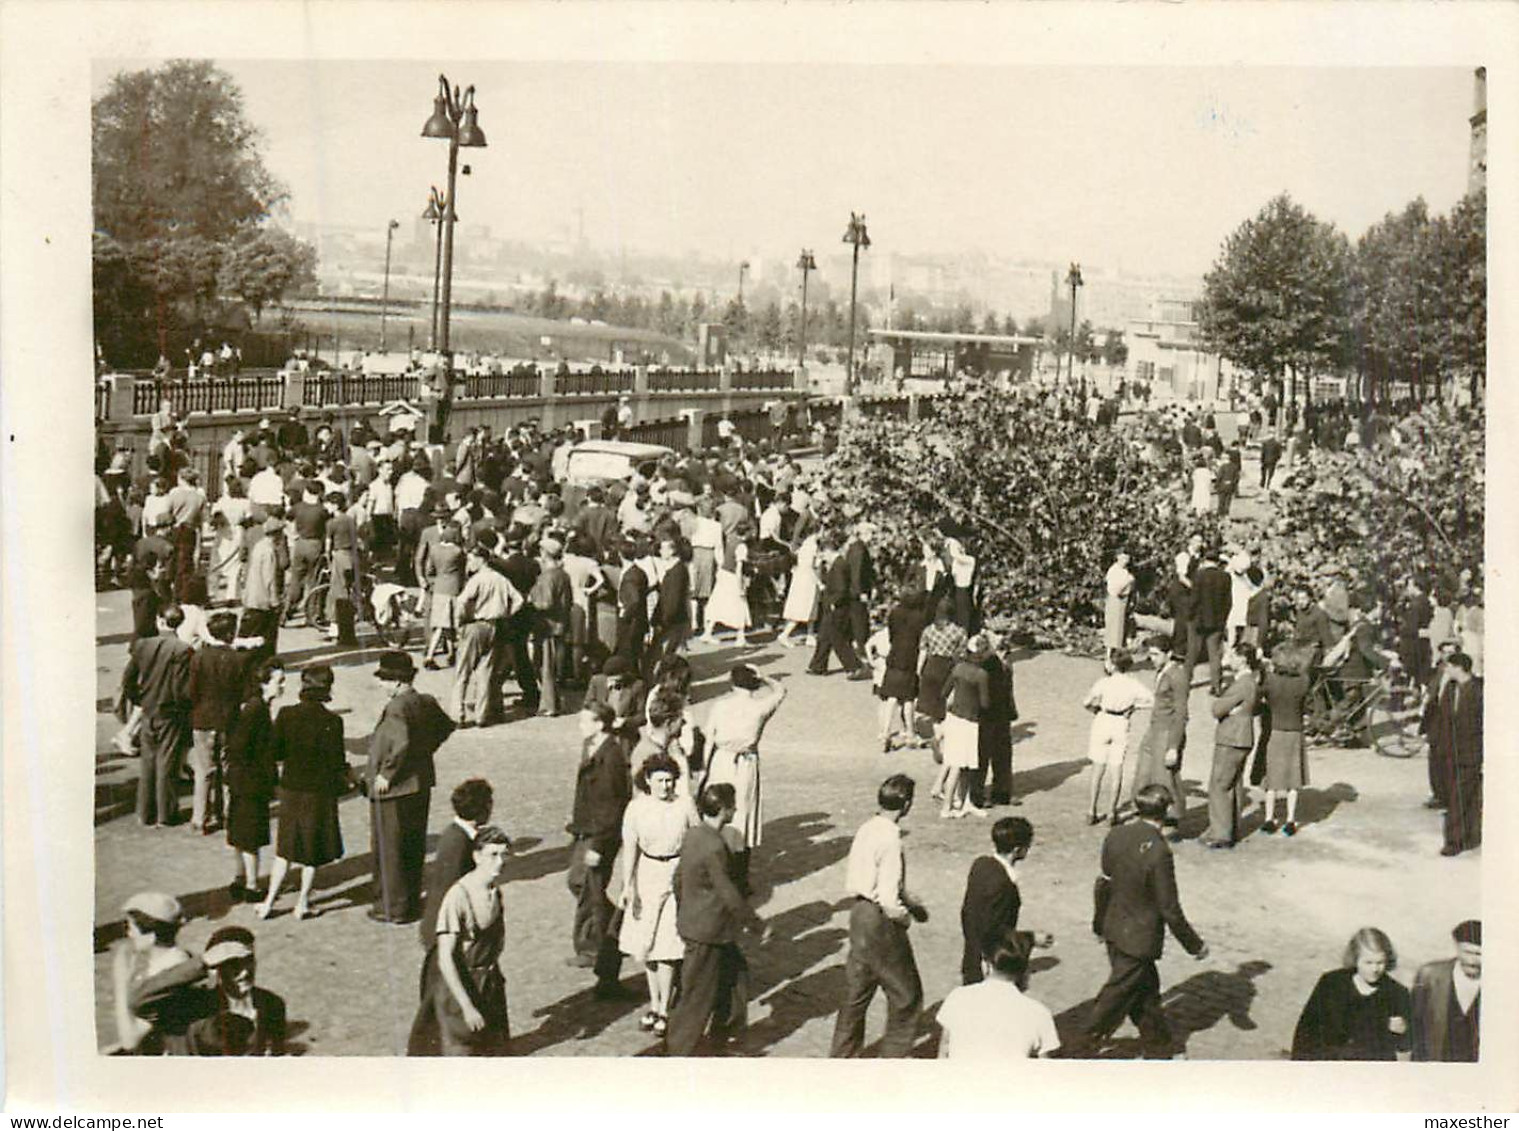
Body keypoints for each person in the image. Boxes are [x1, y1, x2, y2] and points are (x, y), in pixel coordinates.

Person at [1085, 783, 1208, 1058]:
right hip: (1139, 938)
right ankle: (1080, 1043)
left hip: (1114, 928)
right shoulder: (1159, 851)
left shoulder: (1116, 834)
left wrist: (1098, 923)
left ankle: (1159, 1047)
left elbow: (1103, 882)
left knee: (1146, 994)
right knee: (1115, 996)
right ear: (1164, 812)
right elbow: (1169, 908)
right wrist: (1195, 945)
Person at [664, 783, 768, 1056]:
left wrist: (684, 912)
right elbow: (729, 893)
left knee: (735, 980)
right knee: (696, 997)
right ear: (722, 810)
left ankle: (725, 1039)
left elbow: (677, 880)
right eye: (732, 805)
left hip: (703, 926)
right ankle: (678, 1052)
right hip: (708, 931)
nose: (735, 810)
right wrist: (756, 924)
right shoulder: (714, 846)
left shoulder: (693, 835)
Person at [830, 774, 928, 1058]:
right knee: (906, 995)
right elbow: (887, 896)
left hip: (858, 914)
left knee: (855, 993)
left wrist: (908, 899)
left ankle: (842, 1058)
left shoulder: (867, 828)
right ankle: (893, 1057)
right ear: (907, 804)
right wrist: (904, 917)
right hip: (880, 921)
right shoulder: (892, 839)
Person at [366, 651, 457, 925]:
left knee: (390, 847)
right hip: (420, 783)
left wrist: (387, 773)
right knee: (412, 845)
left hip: (394, 789)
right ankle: (409, 900)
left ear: (395, 682)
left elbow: (400, 742)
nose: (381, 685)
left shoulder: (397, 707)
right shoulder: (424, 701)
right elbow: (446, 726)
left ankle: (392, 906)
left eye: (383, 679)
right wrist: (426, 750)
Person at [410, 826, 514, 1056]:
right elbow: (446, 958)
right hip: (459, 987)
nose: (499, 862)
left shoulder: (495, 892)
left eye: (504, 854)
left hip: (488, 984)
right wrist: (467, 1006)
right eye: (492, 855)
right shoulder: (459, 896)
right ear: (476, 856)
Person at [258, 665, 347, 922]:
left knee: (285, 848)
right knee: (312, 852)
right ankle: (302, 903)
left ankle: (268, 903)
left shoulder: (286, 715)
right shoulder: (333, 721)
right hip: (319, 793)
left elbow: (274, 752)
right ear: (327, 689)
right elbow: (337, 762)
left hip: (291, 789)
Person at [618, 752, 697, 1037]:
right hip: (647, 875)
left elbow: (697, 839)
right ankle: (654, 1003)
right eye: (660, 780)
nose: (666, 786)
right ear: (648, 781)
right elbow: (630, 849)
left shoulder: (685, 805)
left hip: (676, 874)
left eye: (670, 780)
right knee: (647, 947)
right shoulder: (636, 808)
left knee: (667, 947)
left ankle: (664, 1008)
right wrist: (628, 885)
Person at [700, 665, 787, 895]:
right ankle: (741, 879)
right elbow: (781, 690)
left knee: (719, 811)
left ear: (732, 683)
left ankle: (718, 873)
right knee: (744, 814)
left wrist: (703, 771)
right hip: (747, 764)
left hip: (721, 760)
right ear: (754, 683)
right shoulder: (760, 707)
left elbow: (709, 741)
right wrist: (764, 677)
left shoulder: (720, 706)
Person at [567, 704, 633, 998]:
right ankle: (596, 939)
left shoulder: (611, 757)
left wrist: (598, 846)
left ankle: (596, 948)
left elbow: (611, 806)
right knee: (579, 883)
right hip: (586, 828)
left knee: (590, 890)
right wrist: (575, 816)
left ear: (601, 724)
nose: (580, 724)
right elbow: (585, 792)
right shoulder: (591, 745)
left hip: (599, 836)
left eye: (585, 721)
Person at [121, 604, 193, 827]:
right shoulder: (183, 650)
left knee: (148, 761)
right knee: (167, 763)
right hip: (170, 711)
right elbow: (183, 686)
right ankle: (165, 813)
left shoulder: (142, 646)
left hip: (148, 707)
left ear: (159, 620)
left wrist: (139, 699)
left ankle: (144, 811)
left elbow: (128, 680)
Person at [937, 929, 1060, 1060]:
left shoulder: (958, 997)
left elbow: (944, 1051)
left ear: (986, 966)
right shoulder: (1039, 1013)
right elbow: (1045, 1069)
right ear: (1025, 971)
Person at [1291, 927, 1411, 1060]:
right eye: (1368, 962)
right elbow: (1305, 1032)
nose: (1375, 969)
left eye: (1380, 963)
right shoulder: (1331, 984)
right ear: (1355, 959)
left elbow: (1406, 1046)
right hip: (1328, 1067)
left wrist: (1403, 1031)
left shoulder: (1397, 993)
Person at [958, 817, 1053, 985]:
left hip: (972, 956)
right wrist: (1031, 938)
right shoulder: (1003, 885)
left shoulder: (981, 864)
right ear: (1018, 850)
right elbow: (994, 932)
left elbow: (968, 914)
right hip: (989, 967)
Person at [109, 892, 204, 1055]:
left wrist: (120, 981)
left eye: (131, 928)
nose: (129, 934)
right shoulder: (178, 957)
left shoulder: (169, 971)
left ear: (151, 936)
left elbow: (130, 1040)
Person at [224, 659, 284, 904]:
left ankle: (240, 878)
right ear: (264, 683)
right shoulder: (256, 709)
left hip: (242, 780)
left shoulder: (255, 706)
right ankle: (251, 885)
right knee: (251, 835)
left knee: (240, 833)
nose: (282, 687)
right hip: (251, 781)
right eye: (278, 682)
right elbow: (242, 747)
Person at [186, 611, 249, 834]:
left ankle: (199, 817)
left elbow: (191, 691)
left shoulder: (200, 657)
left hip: (202, 720)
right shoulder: (237, 659)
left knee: (204, 771)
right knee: (227, 770)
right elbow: (243, 693)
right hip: (228, 721)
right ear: (231, 634)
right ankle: (227, 814)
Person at [185, 927, 288, 1056]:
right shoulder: (203, 1012)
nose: (245, 972)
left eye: (249, 960)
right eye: (235, 964)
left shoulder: (272, 1003)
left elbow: (278, 1052)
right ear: (217, 967)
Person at [419, 778, 496, 948]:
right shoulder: (458, 843)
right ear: (483, 809)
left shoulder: (459, 834)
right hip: (448, 936)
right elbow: (453, 892)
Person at [1081, 649, 1154, 827]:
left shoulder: (1104, 682)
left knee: (1098, 767)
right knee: (1117, 768)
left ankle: (1092, 810)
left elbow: (1087, 702)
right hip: (1121, 722)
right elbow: (1152, 700)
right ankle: (1112, 812)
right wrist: (1134, 707)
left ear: (1112, 665)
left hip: (1103, 720)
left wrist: (1094, 710)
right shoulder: (1133, 684)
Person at [1202, 645, 1262, 849]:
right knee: (1234, 784)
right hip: (1243, 737)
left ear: (1243, 659)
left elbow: (1217, 708)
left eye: (1233, 656)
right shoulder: (1250, 682)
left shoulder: (1241, 684)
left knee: (1219, 784)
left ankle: (1220, 833)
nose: (1229, 659)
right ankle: (1231, 828)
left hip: (1231, 738)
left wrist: (1224, 708)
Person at [1131, 641, 1189, 837]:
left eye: (1156, 654)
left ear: (1169, 653)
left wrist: (1173, 746)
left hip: (1167, 731)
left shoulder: (1178, 676)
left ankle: (1171, 820)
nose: (1152, 659)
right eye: (1151, 654)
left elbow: (1181, 714)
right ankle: (1146, 812)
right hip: (1153, 729)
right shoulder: (1162, 672)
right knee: (1144, 773)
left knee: (1165, 778)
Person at [934, 636, 992, 820]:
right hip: (969, 721)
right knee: (960, 766)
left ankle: (963, 802)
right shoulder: (981, 675)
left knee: (960, 764)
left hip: (954, 718)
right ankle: (947, 807)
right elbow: (985, 703)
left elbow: (944, 692)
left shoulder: (958, 668)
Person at [1411, 919, 1481, 1062]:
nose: (1473, 961)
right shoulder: (1429, 976)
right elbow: (1415, 1027)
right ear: (1456, 947)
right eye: (1468, 952)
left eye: (1479, 954)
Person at [1260, 644, 1311, 835]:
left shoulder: (1271, 681)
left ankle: (1269, 818)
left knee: (1272, 778)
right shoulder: (1303, 681)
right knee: (1293, 778)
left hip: (1275, 730)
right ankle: (1290, 820)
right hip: (1295, 731)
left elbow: (1261, 695)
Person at [1439, 652, 1483, 857]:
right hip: (1451, 752)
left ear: (1458, 667)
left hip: (1471, 752)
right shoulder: (1450, 688)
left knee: (1461, 797)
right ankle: (1469, 836)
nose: (1445, 669)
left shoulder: (1478, 690)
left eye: (1448, 665)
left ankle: (1454, 841)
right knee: (1459, 795)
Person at [877, 588, 927, 753]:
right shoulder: (920, 617)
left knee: (891, 697)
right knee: (908, 699)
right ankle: (911, 733)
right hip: (910, 658)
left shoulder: (895, 613)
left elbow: (891, 635)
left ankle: (885, 733)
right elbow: (921, 642)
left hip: (895, 656)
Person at [915, 604, 968, 757]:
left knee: (932, 708)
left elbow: (923, 651)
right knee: (945, 704)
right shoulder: (959, 631)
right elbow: (962, 653)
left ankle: (936, 735)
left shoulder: (929, 630)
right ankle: (941, 740)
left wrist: (919, 670)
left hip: (931, 667)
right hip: (948, 667)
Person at [1104, 552, 1135, 666]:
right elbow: (1114, 590)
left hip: (1123, 602)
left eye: (1127, 557)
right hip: (1115, 601)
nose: (1126, 560)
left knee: (1121, 631)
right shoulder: (1114, 571)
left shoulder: (1124, 571)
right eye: (1123, 557)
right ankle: (1109, 660)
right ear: (1117, 557)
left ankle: (1116, 659)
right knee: (1113, 630)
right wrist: (1128, 580)